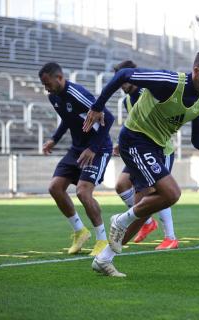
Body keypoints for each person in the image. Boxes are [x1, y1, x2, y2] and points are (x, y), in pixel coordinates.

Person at [85, 50, 199, 277]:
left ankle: (104, 259)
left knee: (143, 207)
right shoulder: (170, 83)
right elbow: (125, 75)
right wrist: (98, 106)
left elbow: (197, 137)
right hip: (136, 139)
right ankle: (120, 220)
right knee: (171, 194)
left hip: (157, 147)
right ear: (196, 71)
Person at [39, 62, 114, 256]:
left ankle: (102, 240)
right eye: (43, 84)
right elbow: (67, 118)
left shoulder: (77, 93)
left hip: (98, 149)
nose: (46, 88)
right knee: (55, 187)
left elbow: (109, 118)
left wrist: (92, 148)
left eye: (48, 83)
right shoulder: (53, 96)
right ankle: (80, 231)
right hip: (76, 149)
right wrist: (54, 140)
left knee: (83, 192)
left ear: (60, 78)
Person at [112, 60, 179, 250]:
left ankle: (170, 237)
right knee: (121, 184)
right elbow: (136, 123)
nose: (123, 86)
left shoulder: (148, 92)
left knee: (161, 191)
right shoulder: (126, 100)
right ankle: (147, 221)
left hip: (160, 149)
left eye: (125, 80)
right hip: (139, 149)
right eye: (120, 82)